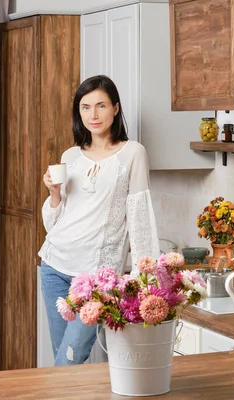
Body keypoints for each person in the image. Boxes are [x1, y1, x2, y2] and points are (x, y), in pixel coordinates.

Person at [38, 75, 160, 366]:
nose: (93, 115)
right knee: (62, 360)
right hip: (54, 266)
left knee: (69, 359)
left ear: (115, 109)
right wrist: (54, 193)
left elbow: (139, 217)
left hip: (97, 278)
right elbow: (55, 223)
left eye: (101, 106)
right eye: (85, 107)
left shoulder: (133, 153)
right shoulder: (71, 155)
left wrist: (148, 282)